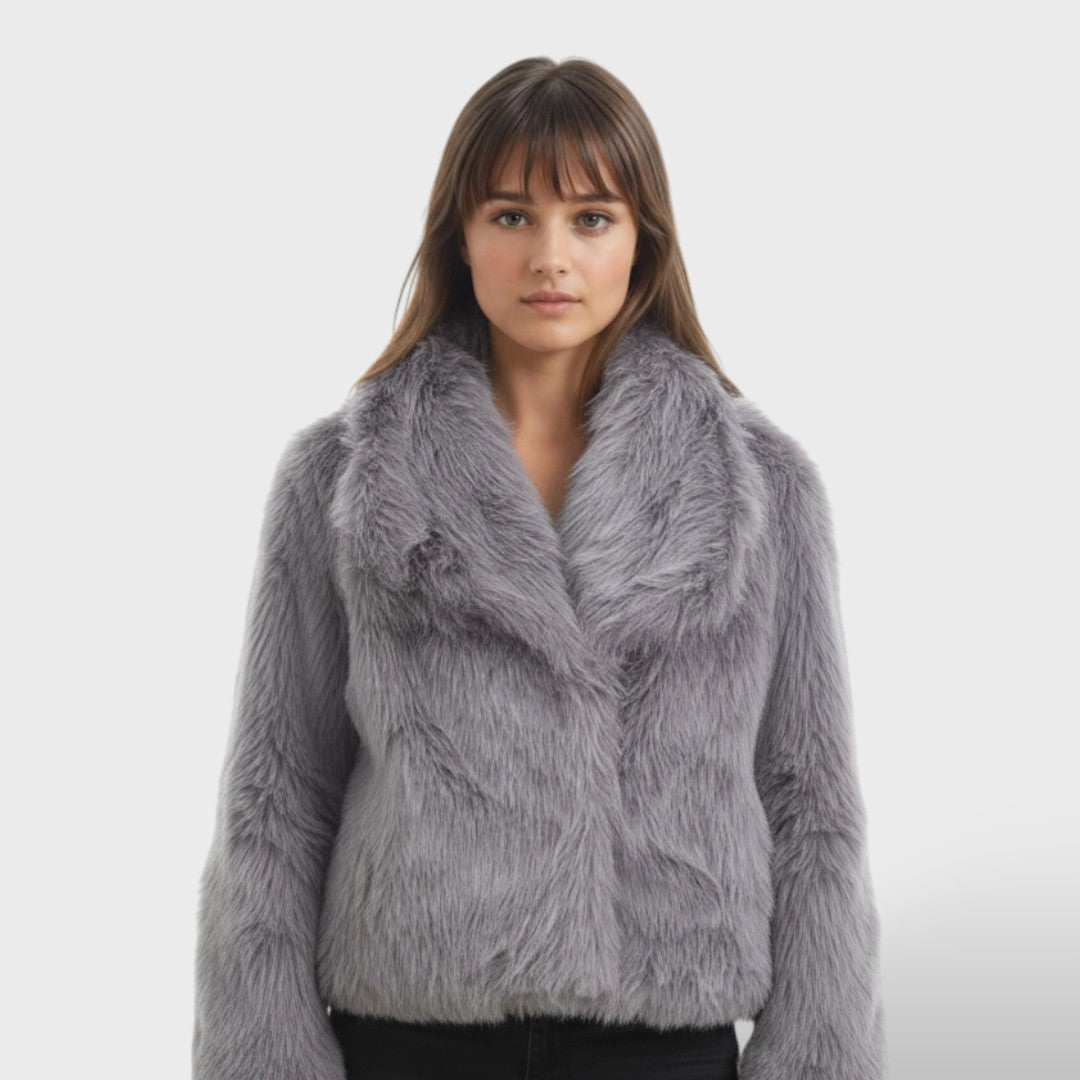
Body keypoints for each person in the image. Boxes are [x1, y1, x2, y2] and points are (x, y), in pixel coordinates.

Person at [191, 56, 888, 1080]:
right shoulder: (342, 479)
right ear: (459, 237)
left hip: (662, 1047)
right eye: (512, 216)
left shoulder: (761, 488)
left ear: (644, 241)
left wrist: (817, 1058)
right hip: (410, 1043)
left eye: (591, 218)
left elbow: (811, 804)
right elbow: (277, 796)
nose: (550, 257)